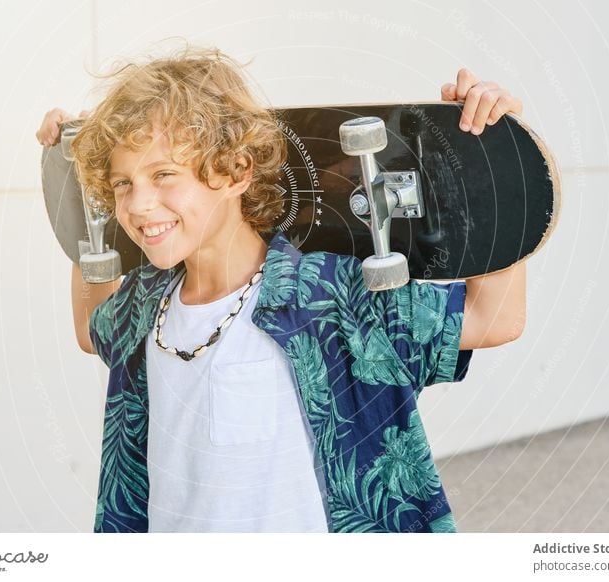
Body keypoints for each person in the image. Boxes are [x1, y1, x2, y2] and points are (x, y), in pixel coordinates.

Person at [35, 47, 526, 533]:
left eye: (164, 174)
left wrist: (490, 158)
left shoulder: (330, 294)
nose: (139, 205)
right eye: (122, 183)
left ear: (235, 171)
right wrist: (70, 181)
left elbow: (495, 318)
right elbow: (90, 328)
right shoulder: (144, 302)